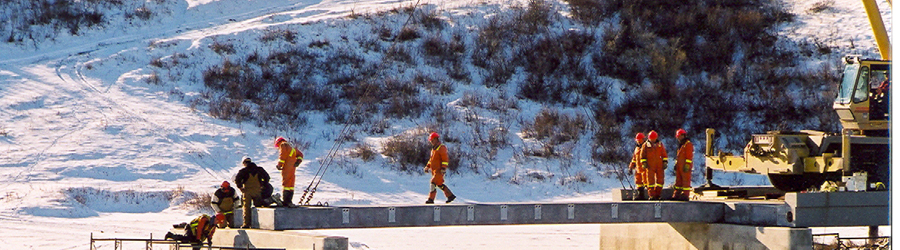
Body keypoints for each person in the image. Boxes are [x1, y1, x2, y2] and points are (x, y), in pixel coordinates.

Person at [235, 157, 270, 228]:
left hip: (247, 191)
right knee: (259, 207)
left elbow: (237, 180)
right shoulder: (259, 169)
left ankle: (246, 224)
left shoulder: (243, 171)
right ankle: (260, 223)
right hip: (257, 191)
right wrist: (263, 185)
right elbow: (267, 177)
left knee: (246, 208)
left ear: (244, 163)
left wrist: (241, 187)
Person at [423, 132, 456, 204]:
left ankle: (431, 199)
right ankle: (450, 196)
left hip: (439, 171)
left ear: (436, 139)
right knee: (439, 184)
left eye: (432, 140)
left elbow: (445, 159)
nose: (431, 142)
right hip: (434, 171)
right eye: (430, 141)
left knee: (433, 182)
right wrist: (427, 166)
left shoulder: (441, 148)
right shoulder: (433, 150)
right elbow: (431, 160)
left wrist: (443, 168)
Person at [274, 137, 303, 207]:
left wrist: (279, 165)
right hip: (292, 169)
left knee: (286, 183)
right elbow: (300, 155)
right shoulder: (292, 147)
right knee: (291, 184)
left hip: (286, 168)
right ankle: (289, 200)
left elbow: (282, 155)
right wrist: (298, 161)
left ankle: (286, 201)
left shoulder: (283, 145)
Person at [640, 130, 668, 200]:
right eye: (651, 139)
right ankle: (652, 195)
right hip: (650, 166)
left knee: (660, 181)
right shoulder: (645, 145)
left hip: (659, 166)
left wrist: (665, 162)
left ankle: (658, 194)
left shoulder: (660, 144)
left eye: (654, 139)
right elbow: (642, 156)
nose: (652, 140)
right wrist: (644, 163)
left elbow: (664, 154)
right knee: (650, 181)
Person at [672, 129, 694, 201]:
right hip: (680, 166)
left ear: (683, 136)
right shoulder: (682, 145)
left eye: (679, 136)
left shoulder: (688, 144)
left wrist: (687, 165)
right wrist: (676, 164)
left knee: (685, 181)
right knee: (678, 181)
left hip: (685, 166)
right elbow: (679, 156)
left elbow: (689, 156)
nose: (678, 138)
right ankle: (677, 194)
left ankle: (685, 195)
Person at [628, 133, 648, 200]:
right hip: (638, 168)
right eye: (637, 140)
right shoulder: (637, 148)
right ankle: (640, 195)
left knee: (647, 182)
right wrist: (631, 167)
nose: (638, 141)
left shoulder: (647, 147)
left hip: (645, 168)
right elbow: (634, 158)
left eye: (639, 140)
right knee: (638, 182)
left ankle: (651, 195)